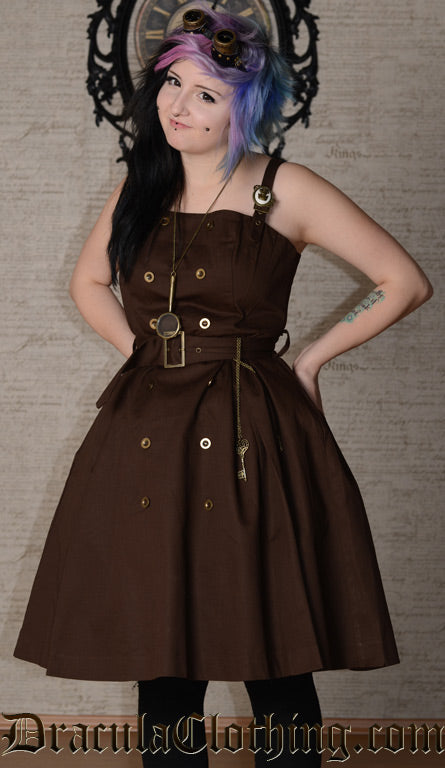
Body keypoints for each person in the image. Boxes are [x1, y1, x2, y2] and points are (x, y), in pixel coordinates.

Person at [13, 4, 433, 767]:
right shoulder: (140, 186)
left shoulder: (287, 187)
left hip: (252, 436)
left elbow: (402, 281)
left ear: (245, 106)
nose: (178, 104)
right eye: (171, 83)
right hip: (147, 438)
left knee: (271, 648)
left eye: (205, 92)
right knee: (161, 654)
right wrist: (147, 353)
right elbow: (87, 282)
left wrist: (308, 361)